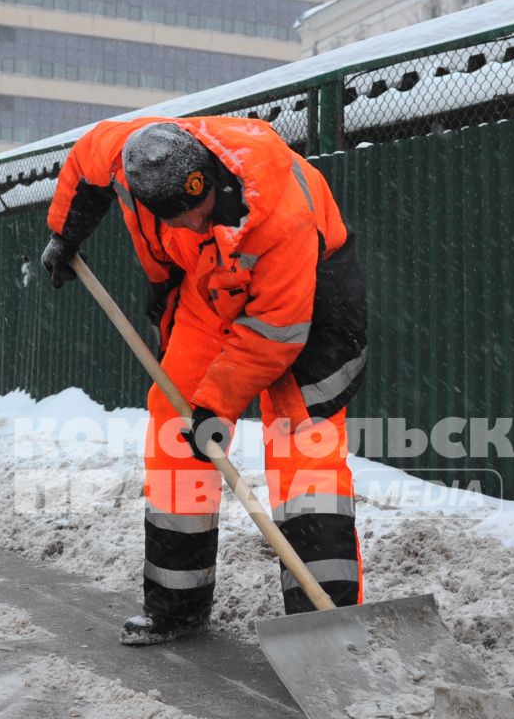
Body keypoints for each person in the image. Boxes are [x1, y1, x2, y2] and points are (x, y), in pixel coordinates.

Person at [38, 117, 368, 645]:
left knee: (303, 446)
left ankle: (324, 627)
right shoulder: (132, 155)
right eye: (180, 217)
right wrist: (65, 234)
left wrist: (217, 404)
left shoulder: (281, 211)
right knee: (176, 426)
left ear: (210, 173)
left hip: (309, 299)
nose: (194, 220)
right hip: (209, 288)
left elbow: (273, 336)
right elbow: (84, 164)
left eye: (202, 206)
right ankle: (177, 605)